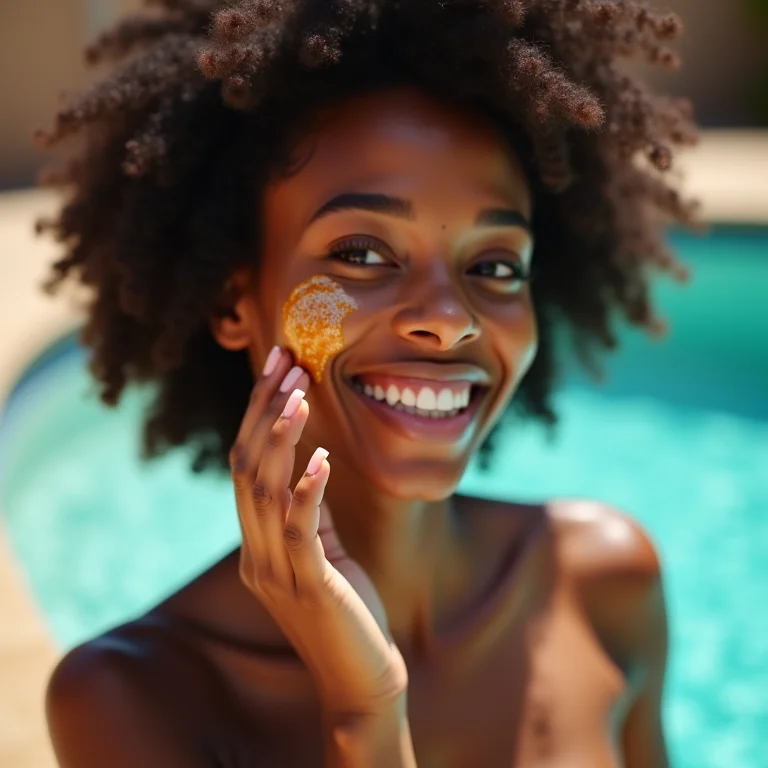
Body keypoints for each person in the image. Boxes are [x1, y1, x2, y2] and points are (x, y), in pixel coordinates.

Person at [38, 0, 699, 765]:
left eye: (494, 266)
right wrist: (365, 709)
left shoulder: (603, 583)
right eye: (360, 253)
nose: (451, 322)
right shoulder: (137, 699)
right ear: (233, 302)